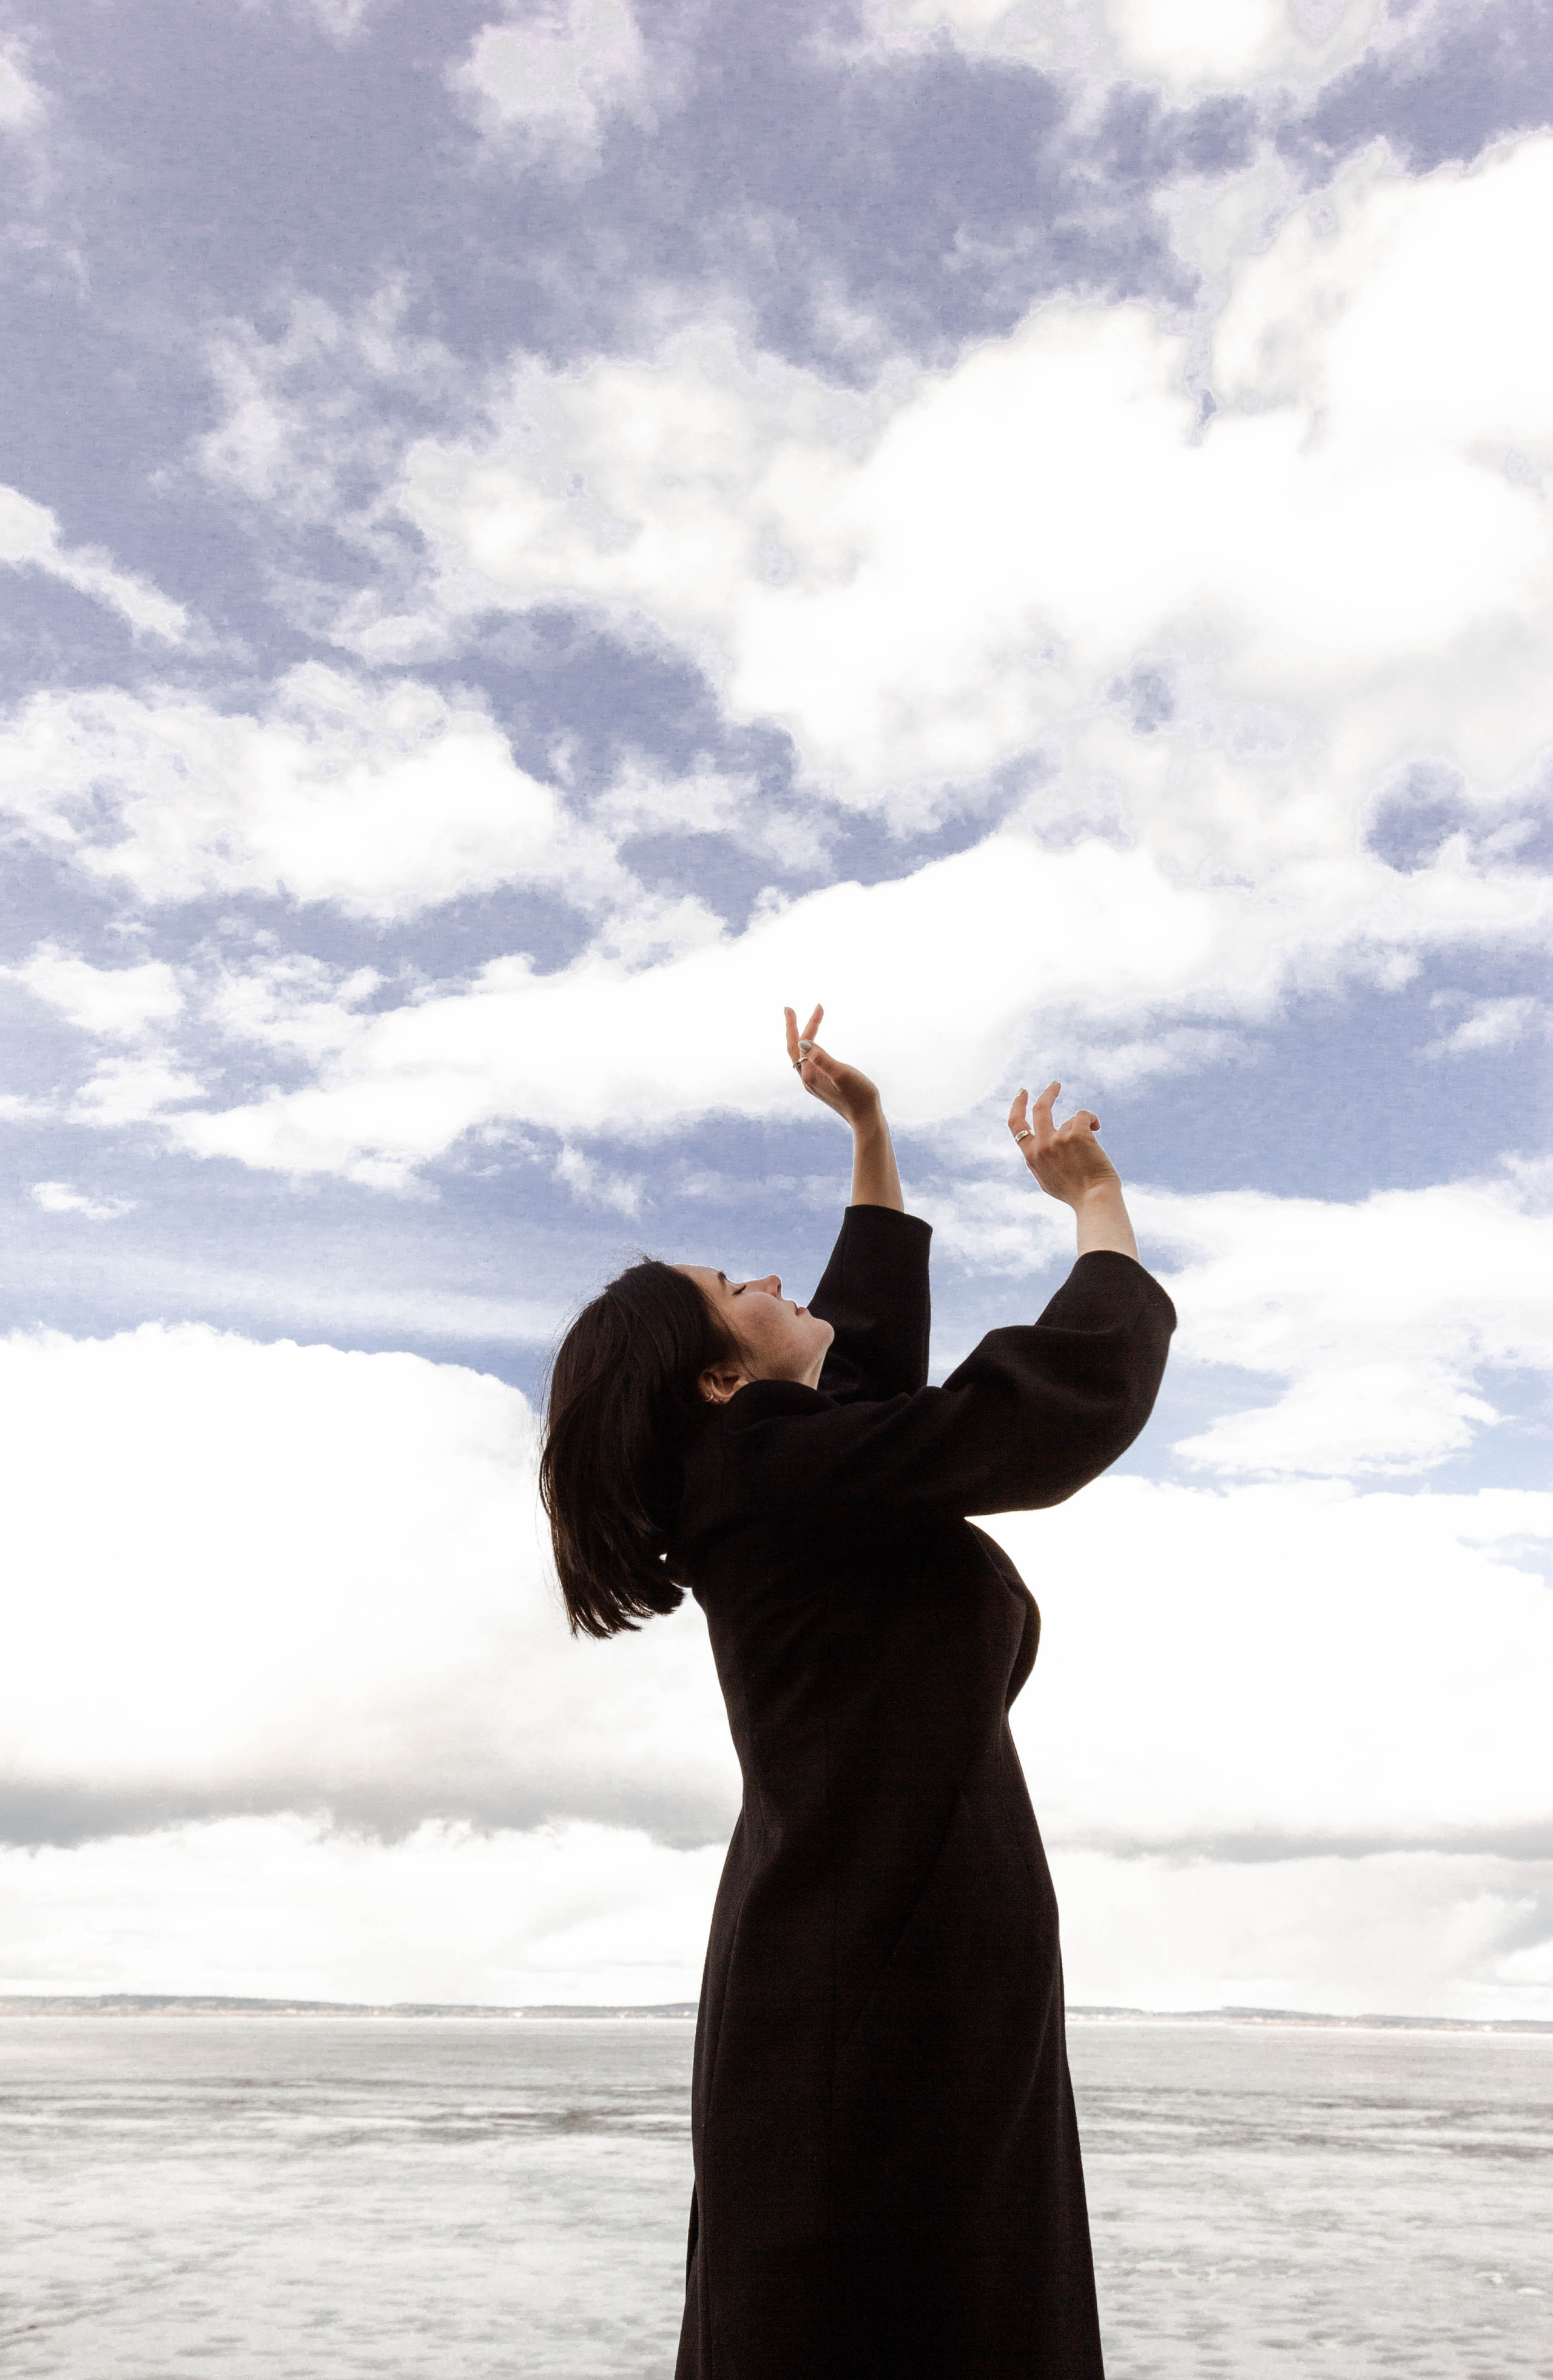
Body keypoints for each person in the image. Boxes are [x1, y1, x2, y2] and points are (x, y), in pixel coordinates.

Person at [540, 1005, 1176, 2380]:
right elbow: (1043, 1409)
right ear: (719, 1380)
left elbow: (866, 1355)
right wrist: (1097, 1209)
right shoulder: (767, 1480)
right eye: (736, 1287)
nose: (771, 1280)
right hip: (873, 1980)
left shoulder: (780, 1473)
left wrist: (870, 1136)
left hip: (879, 1950)